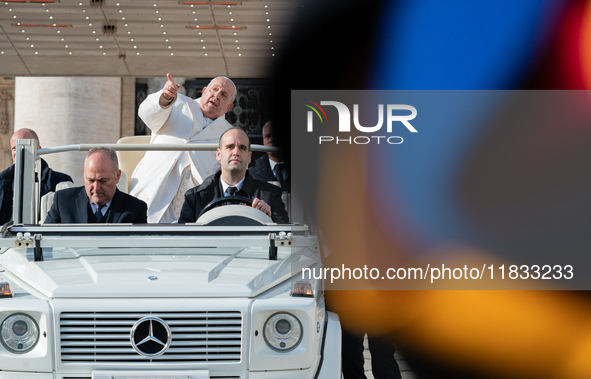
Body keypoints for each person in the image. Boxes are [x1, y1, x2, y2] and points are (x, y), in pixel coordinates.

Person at [130, 73, 236, 223]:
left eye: (223, 95)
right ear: (204, 90)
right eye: (214, 89)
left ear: (229, 107)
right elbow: (146, 114)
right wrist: (165, 97)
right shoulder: (177, 103)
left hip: (193, 204)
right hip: (155, 186)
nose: (216, 95)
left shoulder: (229, 135)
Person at [178, 127, 289, 224]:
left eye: (242, 148)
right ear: (218, 154)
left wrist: (269, 219)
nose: (236, 152)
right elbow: (183, 240)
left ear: (249, 157)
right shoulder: (195, 198)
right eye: (230, 147)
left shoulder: (270, 195)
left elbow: (285, 237)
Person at [45, 147, 147, 224]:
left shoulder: (135, 209)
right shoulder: (63, 202)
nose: (96, 188)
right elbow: (43, 242)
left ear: (117, 176)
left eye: (103, 181)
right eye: (90, 180)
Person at [0, 128, 73, 225]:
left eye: (24, 146)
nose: (19, 151)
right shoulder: (2, 182)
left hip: (42, 238)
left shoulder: (61, 182)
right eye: (14, 148)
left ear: (39, 149)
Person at [248, 121, 291, 192]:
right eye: (268, 136)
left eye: (277, 135)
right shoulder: (252, 174)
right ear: (263, 141)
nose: (272, 140)